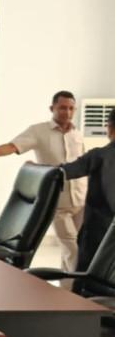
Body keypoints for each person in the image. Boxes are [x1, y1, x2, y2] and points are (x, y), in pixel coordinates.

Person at [0, 91, 86, 282]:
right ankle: (75, 292)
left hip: (81, 199)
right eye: (62, 108)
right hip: (58, 202)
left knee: (78, 249)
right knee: (72, 249)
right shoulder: (38, 131)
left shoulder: (77, 134)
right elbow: (13, 146)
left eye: (71, 108)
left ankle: (67, 288)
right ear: (52, 108)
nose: (67, 112)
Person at [61, 108, 115, 291]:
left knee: (84, 280)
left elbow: (64, 172)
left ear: (110, 128)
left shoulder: (99, 156)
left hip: (97, 234)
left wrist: (37, 169)